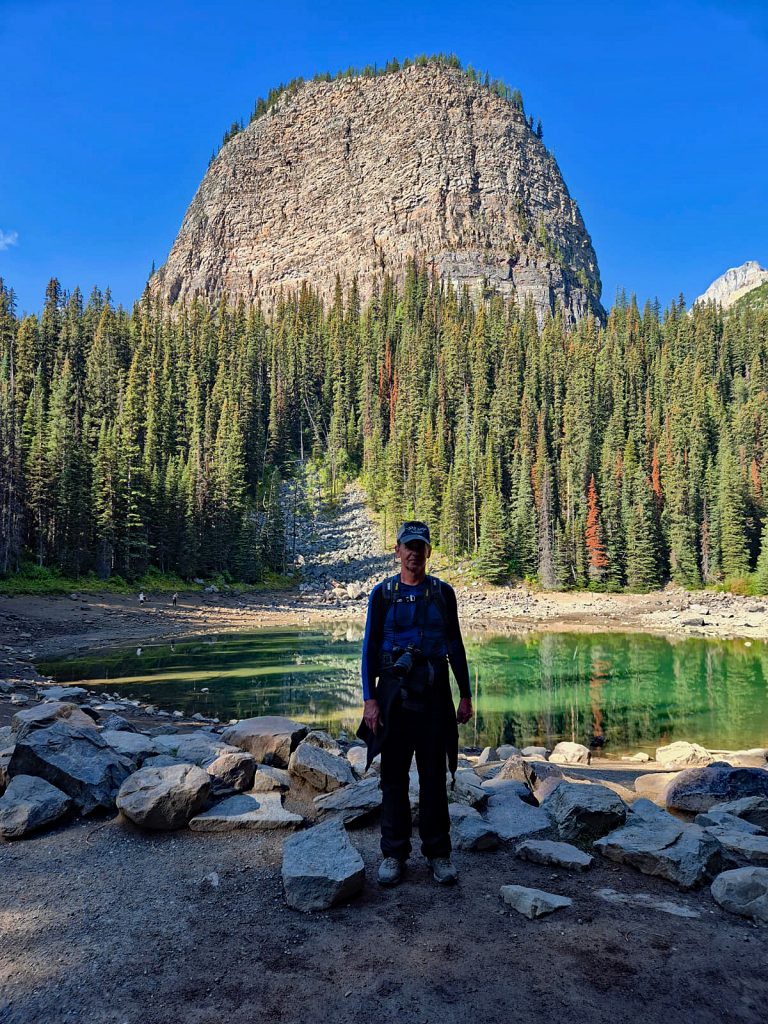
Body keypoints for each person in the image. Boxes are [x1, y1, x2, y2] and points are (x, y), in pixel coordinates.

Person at [358, 521, 473, 887]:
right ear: (397, 551)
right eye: (408, 546)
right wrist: (369, 699)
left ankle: (438, 853)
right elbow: (369, 649)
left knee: (433, 776)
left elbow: (455, 646)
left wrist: (465, 694)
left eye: (420, 547)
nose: (414, 553)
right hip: (392, 694)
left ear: (428, 552)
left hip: (435, 694)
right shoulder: (382, 594)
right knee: (392, 776)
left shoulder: (443, 593)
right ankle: (394, 854)